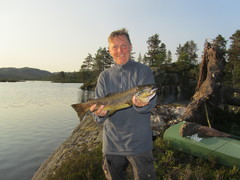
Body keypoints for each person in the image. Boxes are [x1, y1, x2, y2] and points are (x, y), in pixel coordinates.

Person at [90, 28, 157, 180]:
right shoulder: (104, 77)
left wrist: (142, 105)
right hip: (112, 145)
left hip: (140, 144)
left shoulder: (143, 71)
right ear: (109, 50)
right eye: (115, 47)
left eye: (124, 46)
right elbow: (98, 118)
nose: (120, 50)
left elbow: (151, 102)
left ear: (131, 47)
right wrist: (99, 114)